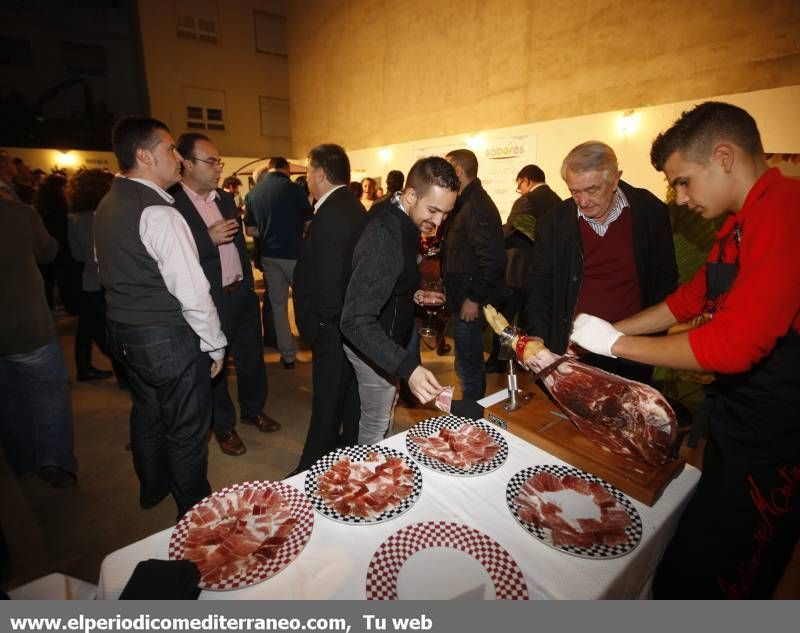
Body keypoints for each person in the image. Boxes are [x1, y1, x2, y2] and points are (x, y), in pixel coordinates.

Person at [569, 102, 800, 599]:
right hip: (739, 421)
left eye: (683, 181)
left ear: (723, 156)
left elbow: (735, 344)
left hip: (782, 434)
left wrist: (618, 344)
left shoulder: (786, 211)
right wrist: (604, 332)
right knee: (687, 556)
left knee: (729, 575)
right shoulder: (738, 222)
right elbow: (687, 301)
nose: (678, 197)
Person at [94, 117, 227, 519]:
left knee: (148, 410)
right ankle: (194, 515)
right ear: (143, 155)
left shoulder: (108, 203)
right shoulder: (159, 212)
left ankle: (152, 487)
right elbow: (192, 290)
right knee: (187, 427)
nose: (178, 159)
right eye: (170, 150)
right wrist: (215, 342)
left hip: (122, 329)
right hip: (163, 336)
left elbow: (103, 267)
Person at [523, 141, 677, 383]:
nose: (582, 202)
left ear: (615, 179)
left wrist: (652, 336)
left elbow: (665, 279)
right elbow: (539, 285)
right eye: (574, 191)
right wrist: (539, 336)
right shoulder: (553, 224)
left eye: (592, 190)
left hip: (630, 349)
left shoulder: (650, 212)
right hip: (572, 352)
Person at [171, 133, 280, 457]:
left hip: (240, 293)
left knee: (251, 359)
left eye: (219, 161)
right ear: (187, 164)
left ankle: (253, 410)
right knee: (215, 366)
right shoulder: (172, 204)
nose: (219, 168)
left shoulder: (223, 199)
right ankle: (223, 425)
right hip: (210, 299)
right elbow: (172, 258)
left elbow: (236, 247)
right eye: (211, 161)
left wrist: (248, 285)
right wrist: (207, 239)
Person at [340, 157, 458, 443]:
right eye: (433, 210)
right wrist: (408, 368)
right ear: (410, 195)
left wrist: (412, 293)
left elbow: (385, 277)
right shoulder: (385, 236)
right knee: (375, 424)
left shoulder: (400, 216)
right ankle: (370, 479)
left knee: (386, 410)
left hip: (388, 339)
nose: (439, 222)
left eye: (446, 214)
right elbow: (355, 320)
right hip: (373, 344)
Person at [292, 144, 366, 472]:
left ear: (320, 174)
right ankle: (346, 451)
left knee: (327, 399)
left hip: (333, 326)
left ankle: (313, 467)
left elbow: (331, 281)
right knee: (348, 395)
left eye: (308, 170)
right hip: (349, 324)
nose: (307, 177)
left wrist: (322, 327)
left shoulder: (331, 214)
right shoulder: (350, 205)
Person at [0, 197, 77, 488]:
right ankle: (54, 462)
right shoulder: (16, 212)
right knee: (48, 396)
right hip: (26, 324)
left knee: (7, 400)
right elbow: (48, 251)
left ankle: (22, 462)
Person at [442, 149, 506, 400]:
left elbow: (493, 260)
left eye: (448, 168)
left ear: (458, 170)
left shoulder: (476, 205)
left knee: (469, 365)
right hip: (464, 296)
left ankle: (472, 418)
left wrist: (473, 298)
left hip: (471, 300)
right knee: (465, 361)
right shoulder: (466, 202)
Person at [485, 164, 562, 372]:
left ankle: (499, 362)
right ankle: (531, 360)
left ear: (527, 180)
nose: (520, 190)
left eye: (519, 185)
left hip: (518, 271)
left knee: (505, 320)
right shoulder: (558, 202)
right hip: (543, 273)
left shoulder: (526, 200)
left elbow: (508, 232)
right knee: (532, 319)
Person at [244, 157, 313, 369]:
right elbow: (309, 223)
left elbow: (250, 230)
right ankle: (314, 346)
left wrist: (268, 231)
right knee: (306, 302)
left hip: (269, 257)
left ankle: (288, 356)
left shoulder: (253, 193)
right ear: (287, 169)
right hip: (294, 255)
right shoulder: (294, 189)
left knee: (278, 307)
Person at [66, 168, 125, 384]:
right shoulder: (103, 216)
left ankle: (84, 369)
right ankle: (125, 378)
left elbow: (77, 255)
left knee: (86, 330)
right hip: (105, 282)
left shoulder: (74, 219)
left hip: (88, 282)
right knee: (112, 334)